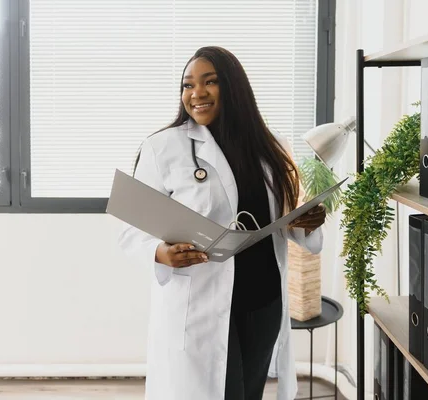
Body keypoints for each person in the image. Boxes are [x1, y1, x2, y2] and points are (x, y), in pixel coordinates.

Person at [118, 46, 326, 400]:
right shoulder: (162, 148)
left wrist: (307, 221)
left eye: (209, 82)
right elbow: (131, 231)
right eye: (187, 85)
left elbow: (283, 220)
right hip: (201, 303)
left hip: (262, 301)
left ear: (233, 88)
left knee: (249, 392)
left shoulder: (272, 147)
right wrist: (161, 253)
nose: (196, 93)